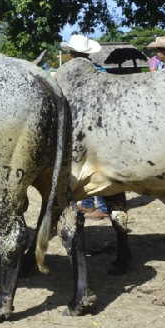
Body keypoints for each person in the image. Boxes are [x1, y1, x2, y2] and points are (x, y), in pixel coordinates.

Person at [60, 34, 122, 220]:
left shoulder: (66, 72)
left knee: (87, 166)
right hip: (101, 123)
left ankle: (100, 206)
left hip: (79, 125)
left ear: (71, 53)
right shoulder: (100, 70)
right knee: (98, 165)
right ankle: (90, 203)